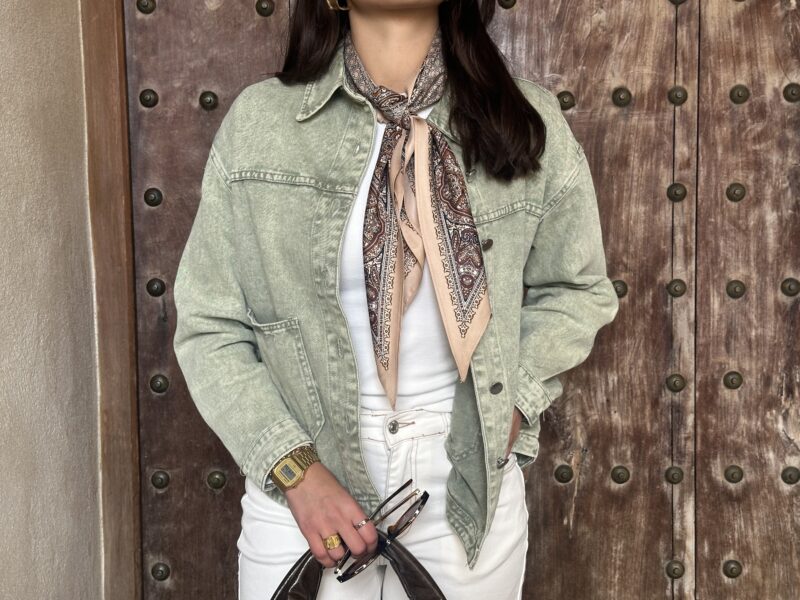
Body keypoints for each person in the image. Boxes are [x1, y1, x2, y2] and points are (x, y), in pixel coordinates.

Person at [172, 0, 620, 598]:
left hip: (464, 480)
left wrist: (510, 410)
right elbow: (210, 325)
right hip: (305, 483)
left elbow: (577, 289)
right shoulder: (262, 124)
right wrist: (295, 470)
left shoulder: (526, 119)